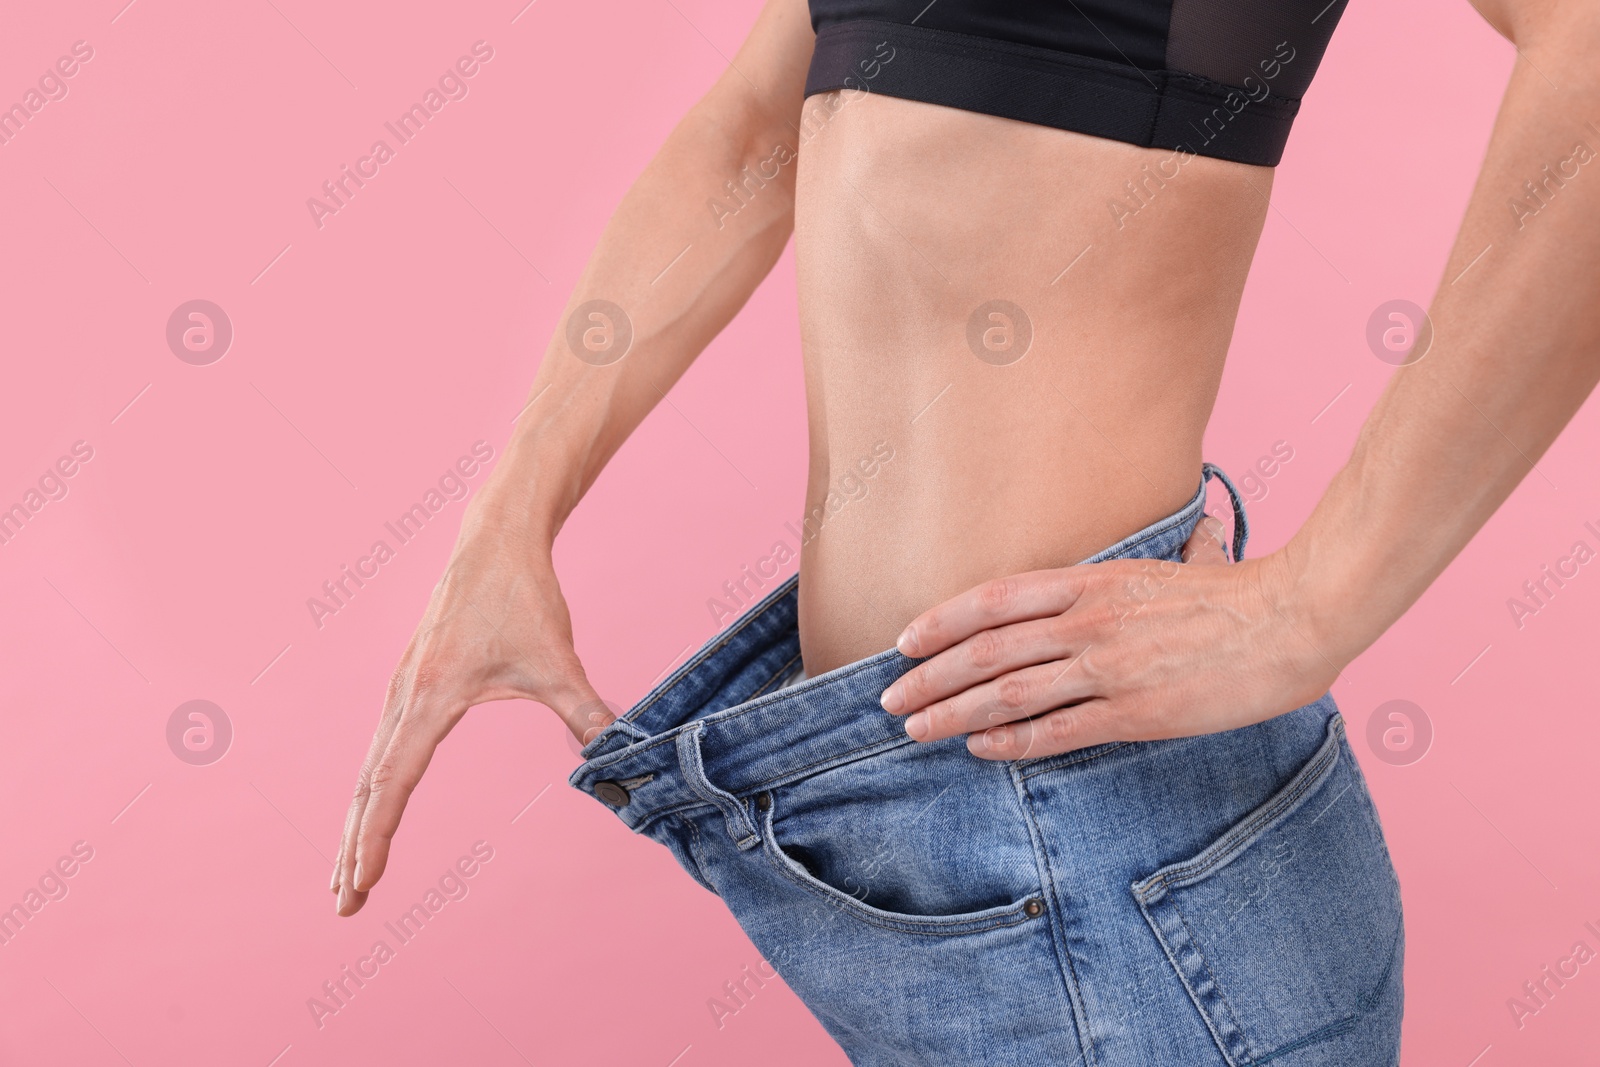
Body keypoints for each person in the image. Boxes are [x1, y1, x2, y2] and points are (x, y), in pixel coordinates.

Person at [331, 0, 1600, 1062]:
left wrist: (1311, 604)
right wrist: (511, 513)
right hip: (902, 813)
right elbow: (754, 131)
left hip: (1102, 830)